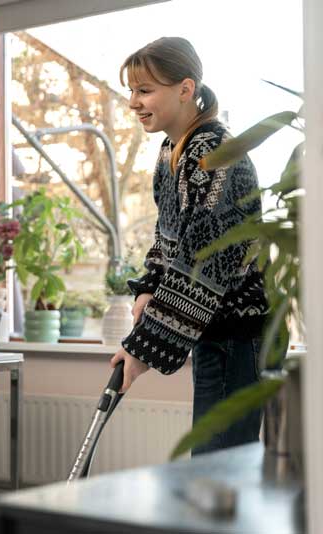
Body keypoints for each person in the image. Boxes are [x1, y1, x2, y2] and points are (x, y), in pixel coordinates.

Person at [110, 37, 269, 455]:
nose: (133, 102)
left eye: (144, 90)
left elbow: (205, 257)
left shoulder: (215, 151)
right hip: (213, 330)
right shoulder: (170, 152)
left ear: (185, 88)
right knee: (212, 468)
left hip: (240, 332)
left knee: (220, 467)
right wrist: (148, 286)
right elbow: (169, 237)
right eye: (131, 90)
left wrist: (143, 349)